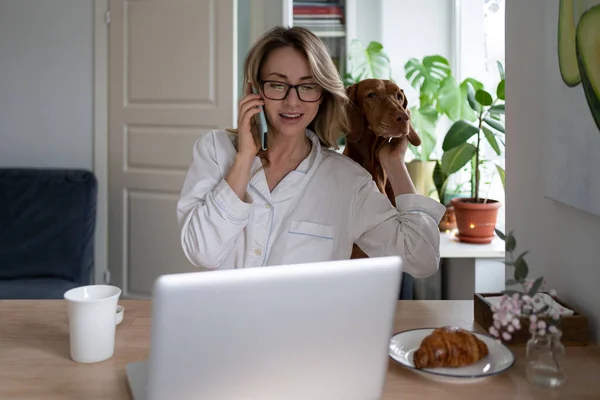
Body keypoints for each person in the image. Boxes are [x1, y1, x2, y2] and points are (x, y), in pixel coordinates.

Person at [176, 26, 446, 279]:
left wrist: (394, 163)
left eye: (307, 86)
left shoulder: (348, 180)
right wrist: (245, 157)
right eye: (277, 84)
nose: (292, 101)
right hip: (224, 326)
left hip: (308, 329)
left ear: (322, 94)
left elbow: (421, 260)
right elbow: (202, 251)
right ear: (255, 89)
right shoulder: (215, 150)